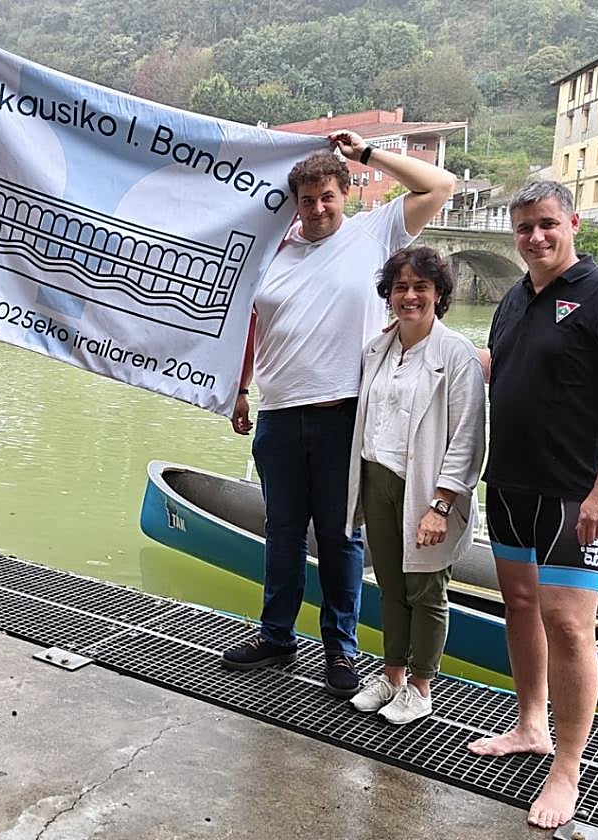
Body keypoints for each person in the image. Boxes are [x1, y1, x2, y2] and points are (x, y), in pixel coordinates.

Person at [220, 132, 455, 698]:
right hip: (278, 412)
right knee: (280, 532)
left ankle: (340, 650)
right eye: (307, 200)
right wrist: (241, 388)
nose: (318, 208)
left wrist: (367, 154)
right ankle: (276, 636)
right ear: (294, 203)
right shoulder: (272, 250)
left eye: (327, 196)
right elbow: (250, 323)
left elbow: (439, 184)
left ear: (345, 193)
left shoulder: (377, 233)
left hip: (345, 416)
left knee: (340, 537)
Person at [467, 180, 598, 830]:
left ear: (570, 221)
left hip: (575, 496)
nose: (535, 238)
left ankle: (566, 769)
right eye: (523, 229)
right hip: (510, 485)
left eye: (545, 225)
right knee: (519, 606)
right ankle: (529, 725)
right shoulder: (514, 300)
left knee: (569, 626)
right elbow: (500, 367)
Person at [343, 247, 485, 724]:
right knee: (389, 586)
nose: (409, 296)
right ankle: (392, 676)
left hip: (426, 487)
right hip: (377, 477)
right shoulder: (378, 349)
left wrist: (441, 504)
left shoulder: (456, 354)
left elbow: (468, 435)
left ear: (439, 294)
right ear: (389, 295)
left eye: (420, 287)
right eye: (400, 287)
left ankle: (421, 688)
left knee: (426, 588)